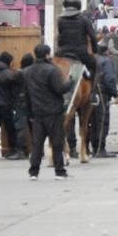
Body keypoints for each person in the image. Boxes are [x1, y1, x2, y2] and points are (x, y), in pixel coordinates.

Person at [23, 44, 74, 180]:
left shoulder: (27, 71)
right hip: (53, 112)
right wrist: (70, 82)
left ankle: (33, 172)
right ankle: (59, 171)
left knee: (37, 144)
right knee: (57, 142)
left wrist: (30, 112)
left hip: (37, 113)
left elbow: (26, 94)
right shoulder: (52, 70)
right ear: (47, 55)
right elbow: (60, 89)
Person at [0, 52, 22, 160]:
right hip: (6, 105)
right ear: (7, 61)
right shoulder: (9, 74)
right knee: (10, 128)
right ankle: (14, 149)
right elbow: (17, 87)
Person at [55, 0, 98, 81]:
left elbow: (60, 36)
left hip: (63, 52)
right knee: (94, 64)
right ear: (79, 5)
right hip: (81, 53)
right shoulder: (84, 20)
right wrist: (95, 50)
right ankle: (92, 88)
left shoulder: (60, 20)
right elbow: (93, 37)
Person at [90, 45, 117, 158]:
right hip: (102, 93)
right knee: (102, 121)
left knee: (92, 121)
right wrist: (115, 93)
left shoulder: (91, 59)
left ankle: (94, 147)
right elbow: (109, 78)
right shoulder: (106, 61)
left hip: (90, 93)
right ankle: (101, 149)